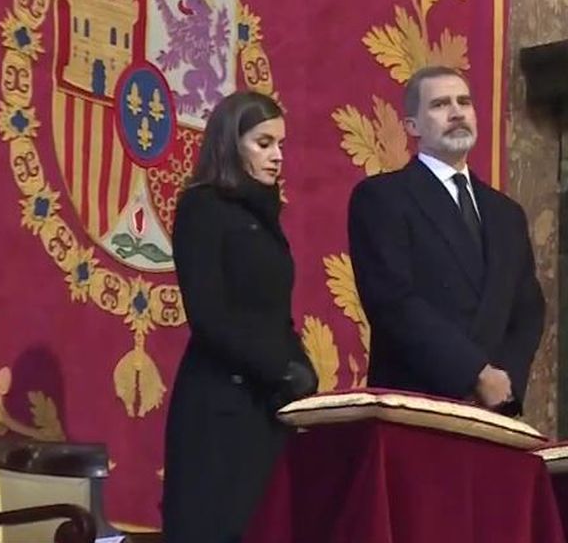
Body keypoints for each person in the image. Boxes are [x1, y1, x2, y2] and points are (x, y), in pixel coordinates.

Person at [163, 90, 317, 543]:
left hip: (267, 407)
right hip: (219, 406)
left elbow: (274, 315)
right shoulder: (203, 207)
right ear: (231, 144)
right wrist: (280, 371)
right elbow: (209, 316)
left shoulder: (267, 219)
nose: (277, 156)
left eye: (281, 145)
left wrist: (304, 376)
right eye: (263, 143)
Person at [347, 66, 545, 415]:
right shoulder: (383, 197)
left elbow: (527, 310)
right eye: (440, 105)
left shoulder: (506, 214)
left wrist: (504, 381)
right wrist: (473, 372)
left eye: (464, 102)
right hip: (416, 404)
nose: (456, 113)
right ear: (412, 126)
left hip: (492, 411)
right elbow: (392, 301)